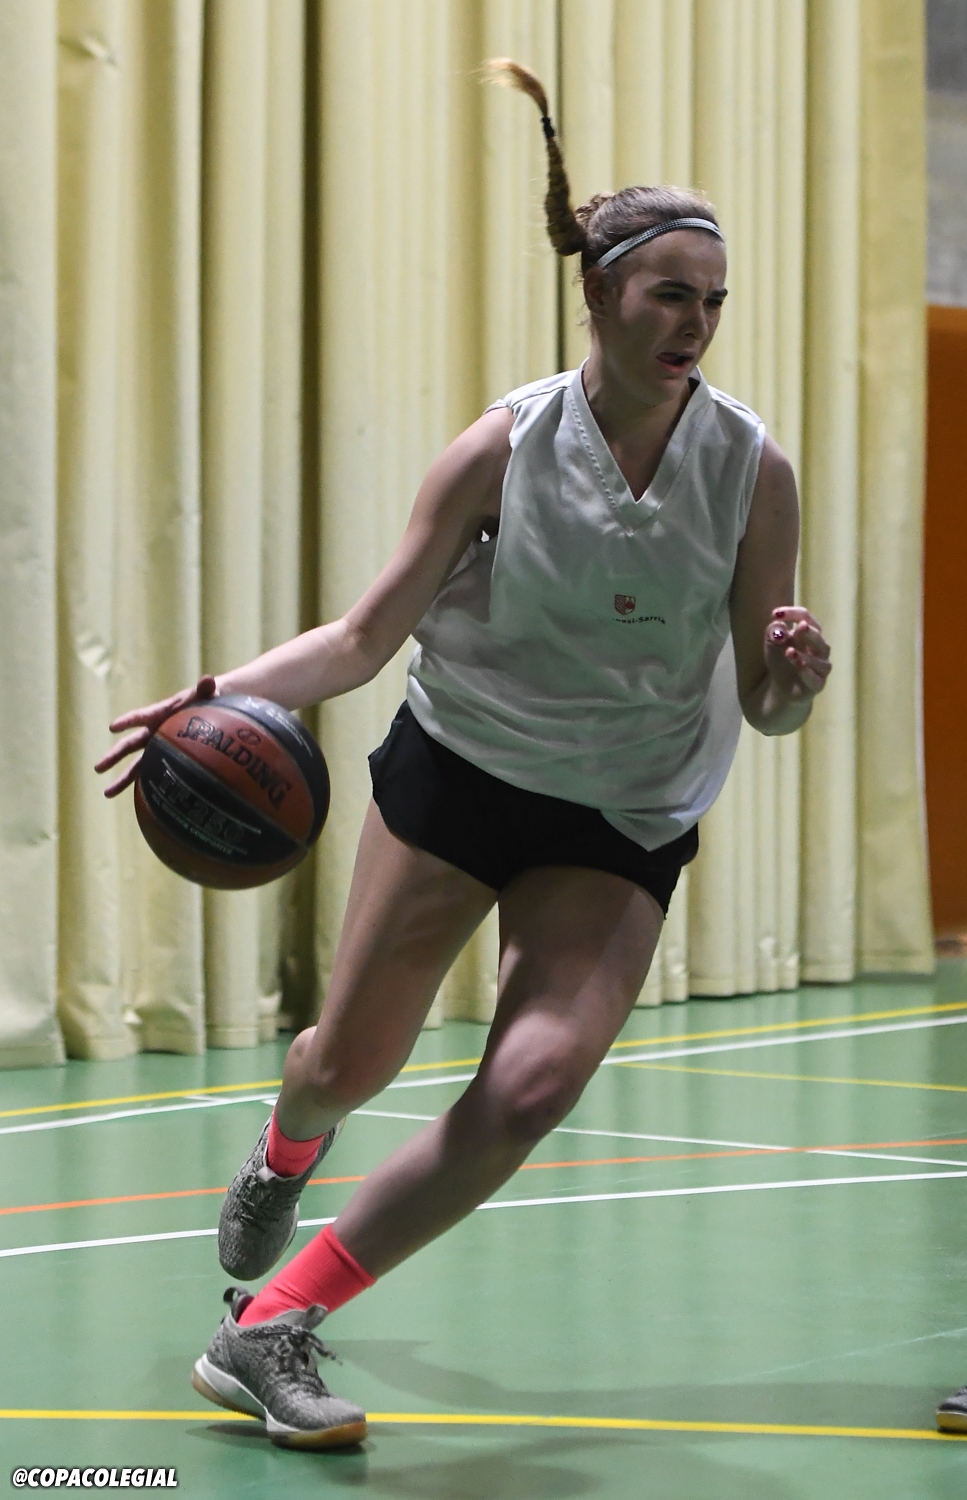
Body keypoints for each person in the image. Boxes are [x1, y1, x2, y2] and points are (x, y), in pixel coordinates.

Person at [97, 58, 832, 1452]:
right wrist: (216, 697)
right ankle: (290, 1140)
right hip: (466, 769)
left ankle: (269, 1325)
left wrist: (792, 684)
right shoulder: (504, 446)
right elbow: (364, 639)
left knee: (533, 1087)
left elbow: (765, 703)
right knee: (349, 1062)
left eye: (714, 301)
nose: (695, 323)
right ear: (601, 293)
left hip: (627, 809)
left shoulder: (754, 469)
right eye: (670, 294)